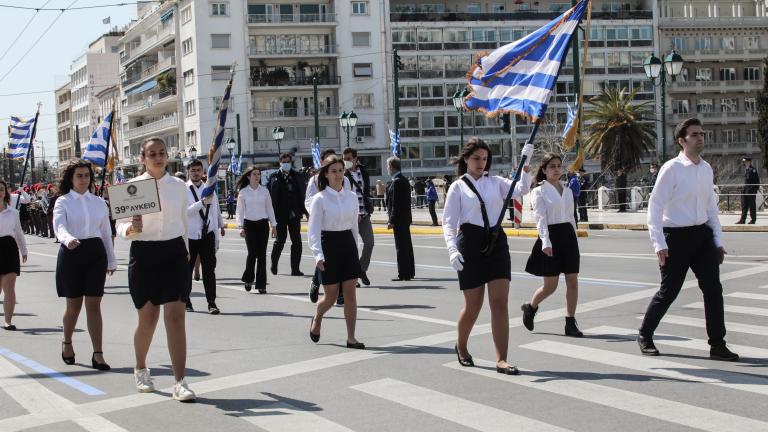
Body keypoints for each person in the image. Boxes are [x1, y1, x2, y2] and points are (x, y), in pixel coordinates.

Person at [638, 118, 738, 361]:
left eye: (702, 133)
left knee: (713, 290)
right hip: (675, 238)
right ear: (681, 141)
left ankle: (717, 344)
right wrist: (659, 243)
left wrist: (718, 240)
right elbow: (655, 205)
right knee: (669, 291)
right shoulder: (671, 168)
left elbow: (711, 208)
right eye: (694, 134)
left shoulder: (706, 169)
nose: (700, 137)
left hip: (702, 236)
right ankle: (645, 334)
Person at [115, 137, 196, 401]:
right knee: (148, 319)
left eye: (162, 153)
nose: (158, 158)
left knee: (175, 318)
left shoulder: (180, 187)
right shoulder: (132, 187)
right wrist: (130, 229)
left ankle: (180, 381)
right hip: (144, 253)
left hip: (173, 253)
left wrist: (186, 253)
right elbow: (121, 225)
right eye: (152, 154)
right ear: (143, 158)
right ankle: (140, 367)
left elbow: (184, 221)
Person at [442, 138, 533, 375]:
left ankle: (502, 358)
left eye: (484, 158)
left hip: (496, 242)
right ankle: (461, 346)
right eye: (476, 158)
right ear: (465, 159)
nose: (481, 163)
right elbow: (449, 223)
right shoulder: (458, 187)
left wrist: (526, 165)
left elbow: (521, 190)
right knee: (473, 306)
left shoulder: (495, 182)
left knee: (500, 302)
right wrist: (452, 249)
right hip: (470, 243)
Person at [53, 160, 117, 370]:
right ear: (71, 178)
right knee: (73, 306)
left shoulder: (99, 202)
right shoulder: (63, 201)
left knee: (94, 304)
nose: (83, 179)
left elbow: (106, 233)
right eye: (79, 175)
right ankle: (67, 342)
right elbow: (59, 226)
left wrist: (111, 258)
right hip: (72, 252)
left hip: (95, 253)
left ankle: (98, 354)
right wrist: (67, 238)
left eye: (86, 175)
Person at [522, 153, 583, 338]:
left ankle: (570, 323)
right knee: (551, 286)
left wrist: (574, 237)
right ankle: (530, 308)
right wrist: (545, 242)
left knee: (572, 281)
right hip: (551, 237)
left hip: (568, 237)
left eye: (558, 166)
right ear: (544, 170)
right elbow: (540, 219)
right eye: (552, 166)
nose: (556, 169)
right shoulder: (539, 191)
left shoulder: (567, 189)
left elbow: (571, 216)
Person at [308, 156, 364, 349]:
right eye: (334, 171)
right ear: (326, 174)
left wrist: (356, 250)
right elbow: (313, 230)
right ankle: (318, 315)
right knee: (330, 298)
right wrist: (318, 255)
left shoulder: (351, 196)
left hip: (347, 245)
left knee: (350, 295)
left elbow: (354, 227)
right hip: (329, 246)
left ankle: (351, 337)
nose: (338, 175)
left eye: (341, 170)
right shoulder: (319, 199)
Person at [306, 149, 350, 305]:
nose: (337, 173)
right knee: (324, 261)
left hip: (341, 228)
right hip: (324, 226)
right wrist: (318, 213)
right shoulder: (314, 181)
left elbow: (347, 199)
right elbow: (308, 201)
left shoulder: (344, 180)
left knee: (339, 264)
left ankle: (340, 294)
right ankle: (316, 283)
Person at [185, 159, 225, 314]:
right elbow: (184, 212)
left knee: (209, 270)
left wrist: (218, 231)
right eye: (193, 170)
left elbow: (215, 212)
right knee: (187, 271)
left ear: (203, 172)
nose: (196, 173)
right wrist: (201, 203)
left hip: (207, 234)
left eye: (198, 170)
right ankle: (186, 300)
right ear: (188, 172)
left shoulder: (210, 189)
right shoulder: (183, 190)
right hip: (190, 236)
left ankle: (212, 303)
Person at [237, 166, 277, 294]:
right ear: (248, 176)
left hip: (262, 225)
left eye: (258, 174)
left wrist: (274, 225)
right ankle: (248, 278)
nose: (257, 176)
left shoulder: (265, 191)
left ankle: (261, 284)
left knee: (262, 255)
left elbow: (270, 209)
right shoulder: (243, 192)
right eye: (254, 174)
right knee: (252, 253)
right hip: (249, 225)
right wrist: (240, 226)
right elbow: (240, 211)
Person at [268, 153, 307, 276]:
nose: (286, 164)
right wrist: (271, 217)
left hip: (294, 213)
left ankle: (295, 269)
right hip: (280, 214)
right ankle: (274, 264)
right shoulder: (274, 177)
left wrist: (305, 211)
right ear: (280, 162)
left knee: (297, 242)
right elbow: (270, 197)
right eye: (284, 161)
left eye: (288, 161)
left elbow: (303, 193)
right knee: (280, 240)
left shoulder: (297, 176)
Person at [342, 147, 374, 287]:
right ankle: (352, 277)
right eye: (344, 159)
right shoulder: (342, 175)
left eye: (348, 158)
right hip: (350, 217)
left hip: (364, 215)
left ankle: (361, 269)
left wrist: (365, 211)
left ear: (355, 158)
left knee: (369, 243)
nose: (346, 161)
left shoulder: (364, 172)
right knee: (351, 248)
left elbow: (366, 192)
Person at [0, 179, 28, 331]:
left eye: (1, 189)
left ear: (5, 192)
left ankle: (8, 321)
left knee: (9, 286)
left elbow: (18, 233)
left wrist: (24, 250)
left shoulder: (13, 212)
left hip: (9, 249)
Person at [386, 157, 415, 281]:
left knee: (401, 247)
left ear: (392, 167)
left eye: (388, 167)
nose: (387, 169)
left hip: (399, 220)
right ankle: (410, 271)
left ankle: (403, 273)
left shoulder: (397, 181)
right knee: (407, 246)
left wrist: (392, 220)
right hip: (405, 219)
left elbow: (396, 204)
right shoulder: (403, 179)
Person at [735, 156, 760, 224]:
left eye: (745, 161)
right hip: (745, 190)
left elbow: (757, 182)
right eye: (743, 161)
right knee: (744, 206)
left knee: (752, 206)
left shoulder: (753, 170)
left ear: (749, 162)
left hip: (751, 191)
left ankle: (753, 219)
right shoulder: (746, 169)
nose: (743, 163)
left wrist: (753, 191)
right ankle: (742, 220)